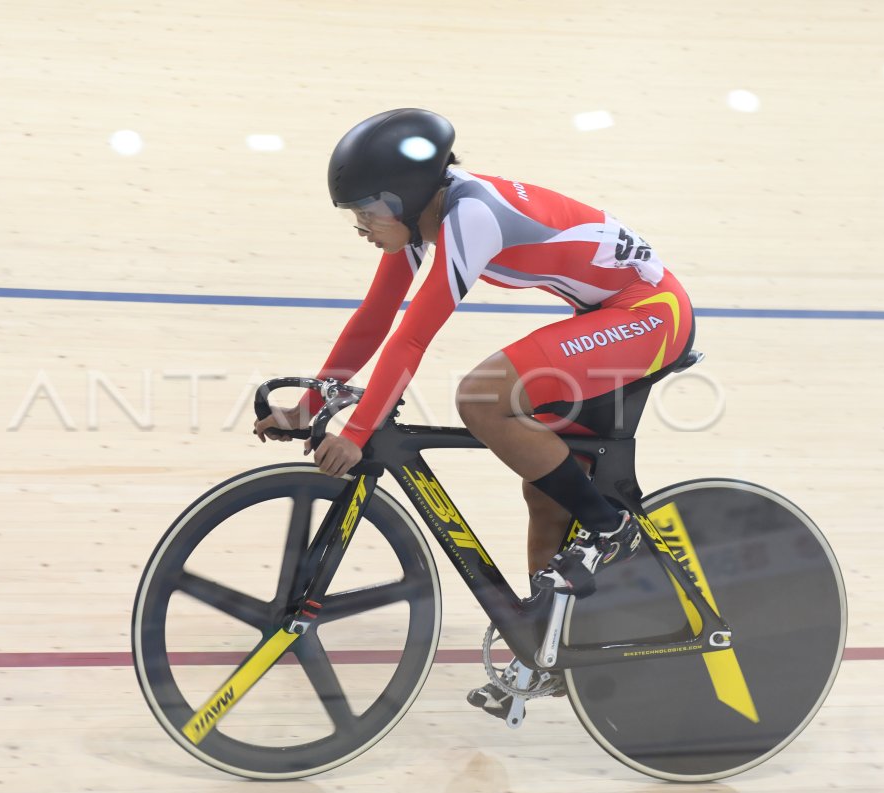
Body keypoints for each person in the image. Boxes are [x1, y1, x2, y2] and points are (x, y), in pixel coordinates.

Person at [253, 108, 695, 720]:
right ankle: (546, 655)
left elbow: (411, 338)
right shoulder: (425, 222)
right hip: (607, 316)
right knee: (545, 492)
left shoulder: (472, 218)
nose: (359, 228)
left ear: (402, 199)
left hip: (648, 313)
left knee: (484, 397)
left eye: (364, 213)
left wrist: (357, 432)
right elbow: (374, 322)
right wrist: (309, 406)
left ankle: (611, 532)